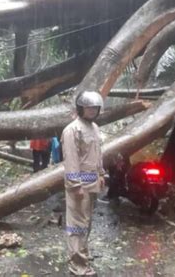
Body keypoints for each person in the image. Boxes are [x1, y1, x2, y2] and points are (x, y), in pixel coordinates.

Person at [62, 91, 105, 276]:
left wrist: (102, 174)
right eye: (89, 107)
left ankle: (82, 255)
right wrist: (75, 185)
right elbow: (71, 159)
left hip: (93, 183)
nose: (92, 110)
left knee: (86, 224)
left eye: (95, 107)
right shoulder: (72, 130)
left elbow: (98, 154)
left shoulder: (94, 128)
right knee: (77, 226)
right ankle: (78, 266)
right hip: (79, 186)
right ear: (81, 108)